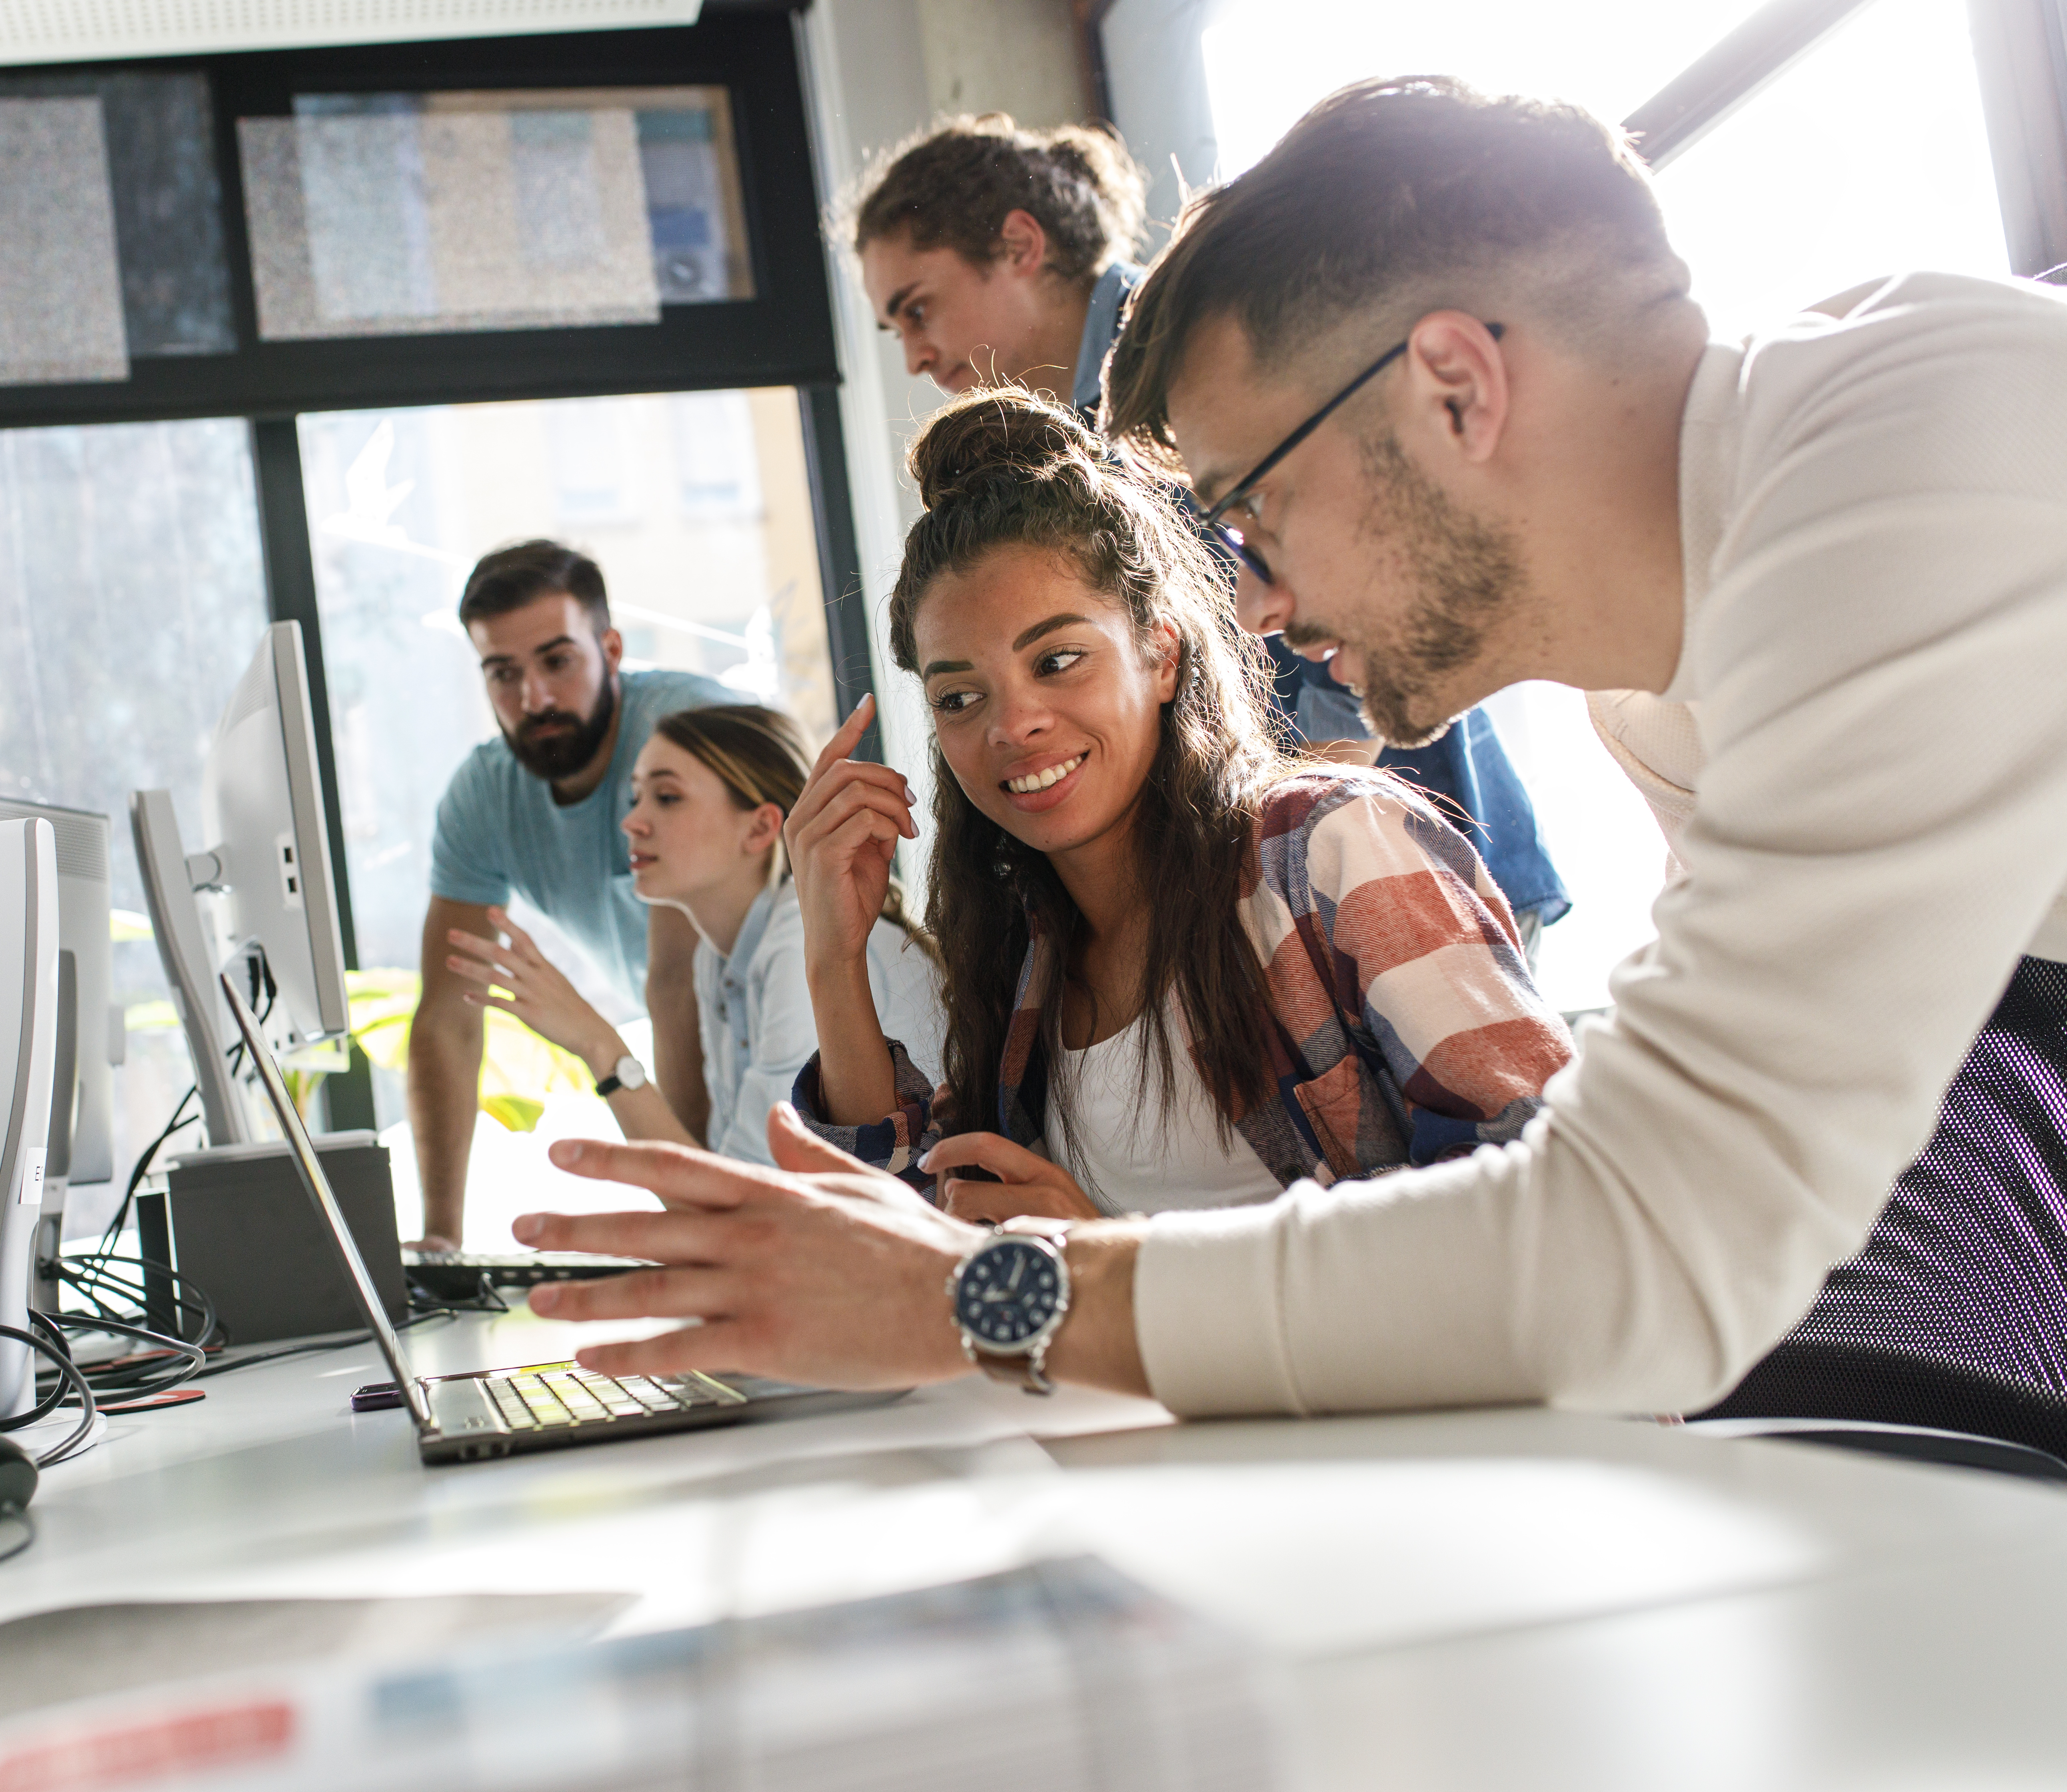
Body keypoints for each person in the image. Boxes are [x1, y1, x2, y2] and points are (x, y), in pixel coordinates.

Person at [502, 78, 2067, 1421]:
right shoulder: (1659, 692)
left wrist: (990, 1295)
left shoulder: (1912, 445)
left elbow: (1650, 1236)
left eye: (1254, 507)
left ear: (1453, 386)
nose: (1257, 587)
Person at [781, 388, 1568, 1225]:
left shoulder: (1329, 849)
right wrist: (834, 951)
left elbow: (1547, 1204)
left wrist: (1114, 1264)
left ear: (1160, 655)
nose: (1013, 725)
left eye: (1057, 660)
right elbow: (907, 1238)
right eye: (960, 697)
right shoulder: (1026, 949)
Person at [844, 111, 1567, 950]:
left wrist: (1276, 856)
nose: (915, 358)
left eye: (919, 309)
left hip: (1395, 863)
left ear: (1019, 245)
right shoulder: (1080, 439)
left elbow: (1364, 608)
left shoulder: (1197, 364)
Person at [444, 704, 945, 1166]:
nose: (633, 822)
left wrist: (599, 1045)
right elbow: (731, 1182)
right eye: (636, 797)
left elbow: (749, 1206)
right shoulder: (717, 959)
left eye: (667, 797)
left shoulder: (799, 944)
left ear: (759, 828)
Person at [410, 540, 734, 1248]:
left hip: (786, 1043)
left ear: (611, 648)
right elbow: (447, 1018)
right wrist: (441, 1241)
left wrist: (697, 1228)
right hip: (688, 1056)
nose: (535, 699)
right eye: (503, 673)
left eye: (557, 661)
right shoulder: (485, 795)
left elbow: (675, 988)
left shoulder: (682, 738)